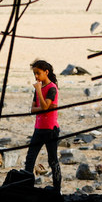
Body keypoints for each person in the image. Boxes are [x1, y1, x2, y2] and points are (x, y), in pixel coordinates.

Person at [23, 59, 62, 192]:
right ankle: (27, 187)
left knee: (53, 160)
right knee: (30, 159)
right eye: (34, 73)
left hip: (51, 129)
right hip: (39, 129)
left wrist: (39, 92)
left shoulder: (52, 88)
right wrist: (45, 106)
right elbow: (33, 109)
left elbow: (43, 106)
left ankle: (57, 189)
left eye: (38, 73)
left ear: (46, 72)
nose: (36, 76)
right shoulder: (38, 88)